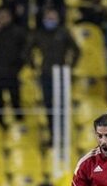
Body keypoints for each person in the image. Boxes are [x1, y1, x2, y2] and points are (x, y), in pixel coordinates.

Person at [25, 8, 81, 143]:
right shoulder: (39, 34)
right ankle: (53, 136)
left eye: (53, 18)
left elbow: (76, 50)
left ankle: (63, 136)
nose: (50, 21)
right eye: (48, 18)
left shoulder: (63, 32)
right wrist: (34, 66)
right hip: (45, 74)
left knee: (61, 106)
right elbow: (27, 50)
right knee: (49, 106)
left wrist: (70, 66)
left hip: (61, 74)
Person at [0, 7, 26, 129]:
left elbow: (25, 50)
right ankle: (0, 127)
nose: (1, 19)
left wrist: (19, 66)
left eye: (4, 16)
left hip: (12, 72)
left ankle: (19, 126)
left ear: (10, 17)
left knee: (16, 100)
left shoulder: (18, 32)